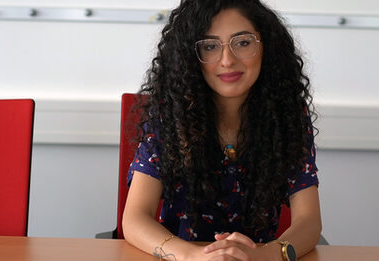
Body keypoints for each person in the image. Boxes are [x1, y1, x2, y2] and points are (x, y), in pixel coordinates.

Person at [122, 0, 321, 260]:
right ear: (190, 57)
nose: (227, 60)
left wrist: (263, 257)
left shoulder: (288, 116)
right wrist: (193, 256)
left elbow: (309, 222)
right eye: (210, 46)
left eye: (243, 43)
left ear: (266, 47)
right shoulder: (168, 117)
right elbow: (135, 218)